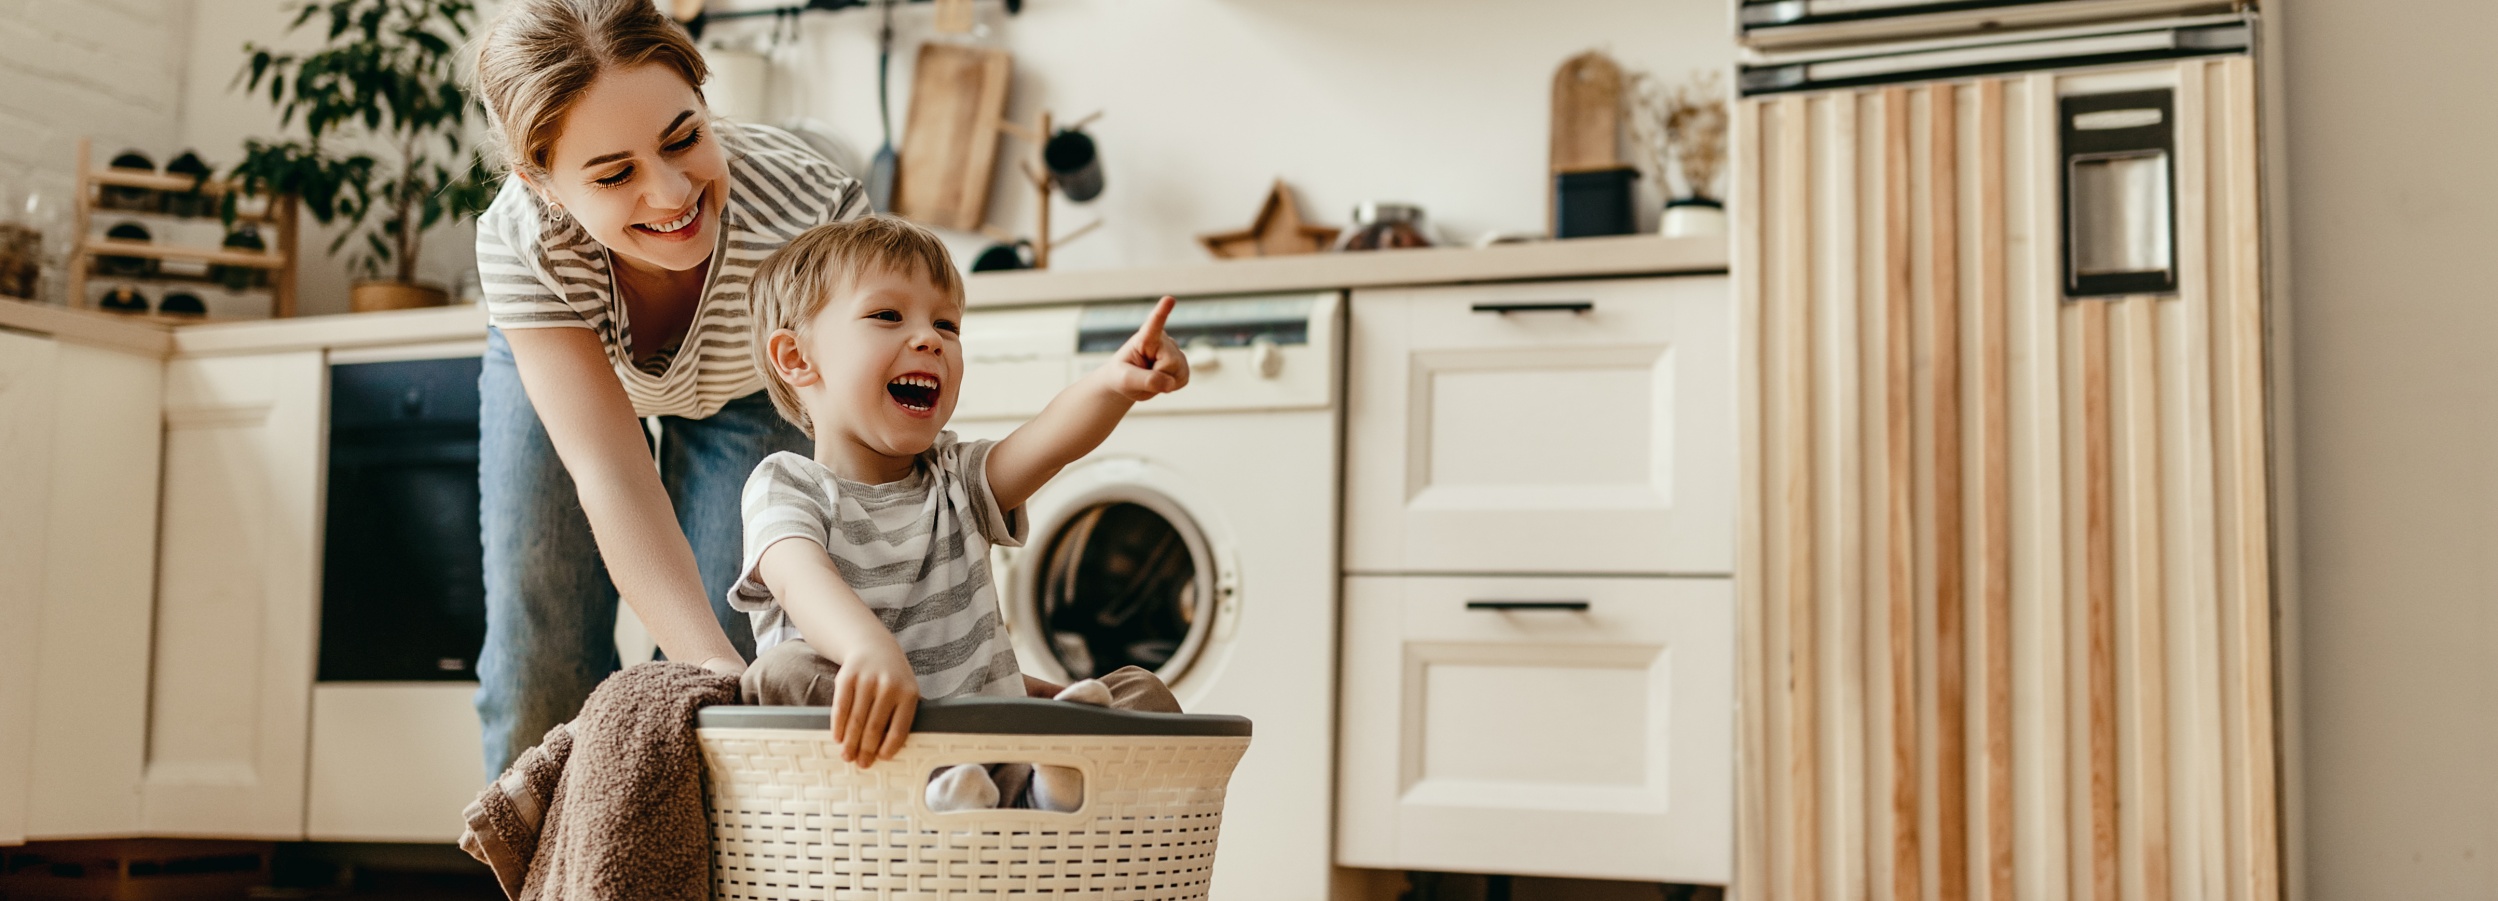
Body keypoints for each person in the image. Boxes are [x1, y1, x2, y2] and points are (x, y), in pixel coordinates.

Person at [465, 0, 870, 776]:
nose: (672, 193)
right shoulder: (523, 243)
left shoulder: (816, 213)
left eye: (684, 137)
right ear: (541, 183)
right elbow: (612, 475)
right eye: (615, 174)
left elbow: (861, 445)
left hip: (752, 387)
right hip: (571, 368)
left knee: (718, 648)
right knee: (534, 656)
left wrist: (721, 679)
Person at [725, 217, 1190, 781]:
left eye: (946, 324)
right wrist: (868, 651)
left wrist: (1113, 385)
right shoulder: (786, 483)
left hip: (991, 754)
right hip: (868, 767)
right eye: (887, 315)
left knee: (1141, 693)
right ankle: (964, 788)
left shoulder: (956, 477)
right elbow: (799, 580)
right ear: (798, 358)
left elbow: (1049, 442)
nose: (929, 338)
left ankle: (1045, 794)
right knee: (781, 674)